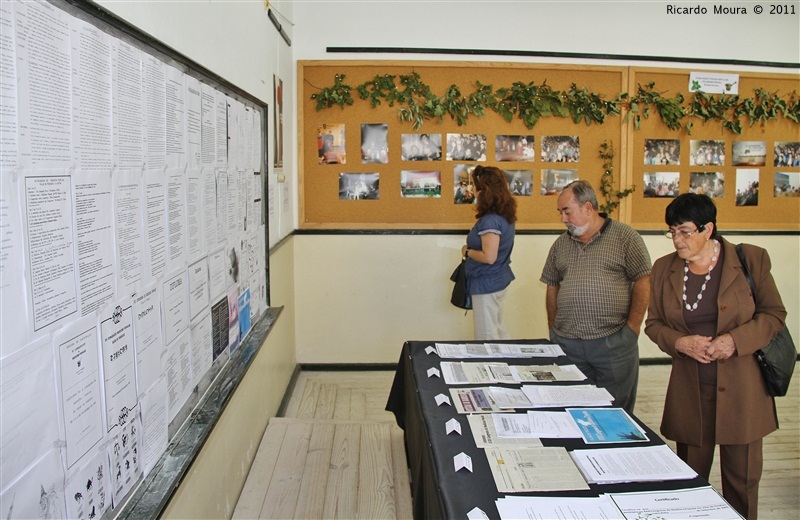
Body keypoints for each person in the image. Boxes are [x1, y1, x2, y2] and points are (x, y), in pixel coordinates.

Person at [645, 193, 787, 520]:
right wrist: (681, 343)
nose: (677, 240)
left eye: (684, 231)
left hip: (744, 393)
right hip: (690, 393)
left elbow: (773, 314)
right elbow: (654, 325)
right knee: (690, 485)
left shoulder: (751, 260)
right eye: (671, 232)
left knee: (742, 483)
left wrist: (735, 341)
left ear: (708, 229)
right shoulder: (664, 268)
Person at [540, 180, 651, 413]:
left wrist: (632, 328)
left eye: (567, 211)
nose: (563, 219)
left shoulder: (625, 238)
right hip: (568, 342)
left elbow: (644, 279)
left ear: (588, 208)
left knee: (615, 413)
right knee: (572, 410)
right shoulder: (560, 244)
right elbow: (552, 285)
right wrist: (553, 328)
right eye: (560, 212)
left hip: (613, 343)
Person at [460, 165, 517, 340]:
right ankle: (506, 364)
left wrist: (467, 251)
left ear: (483, 191)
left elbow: (489, 256)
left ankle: (490, 367)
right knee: (498, 329)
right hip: (497, 280)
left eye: (476, 188)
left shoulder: (490, 221)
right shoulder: (503, 216)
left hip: (487, 283)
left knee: (486, 335)